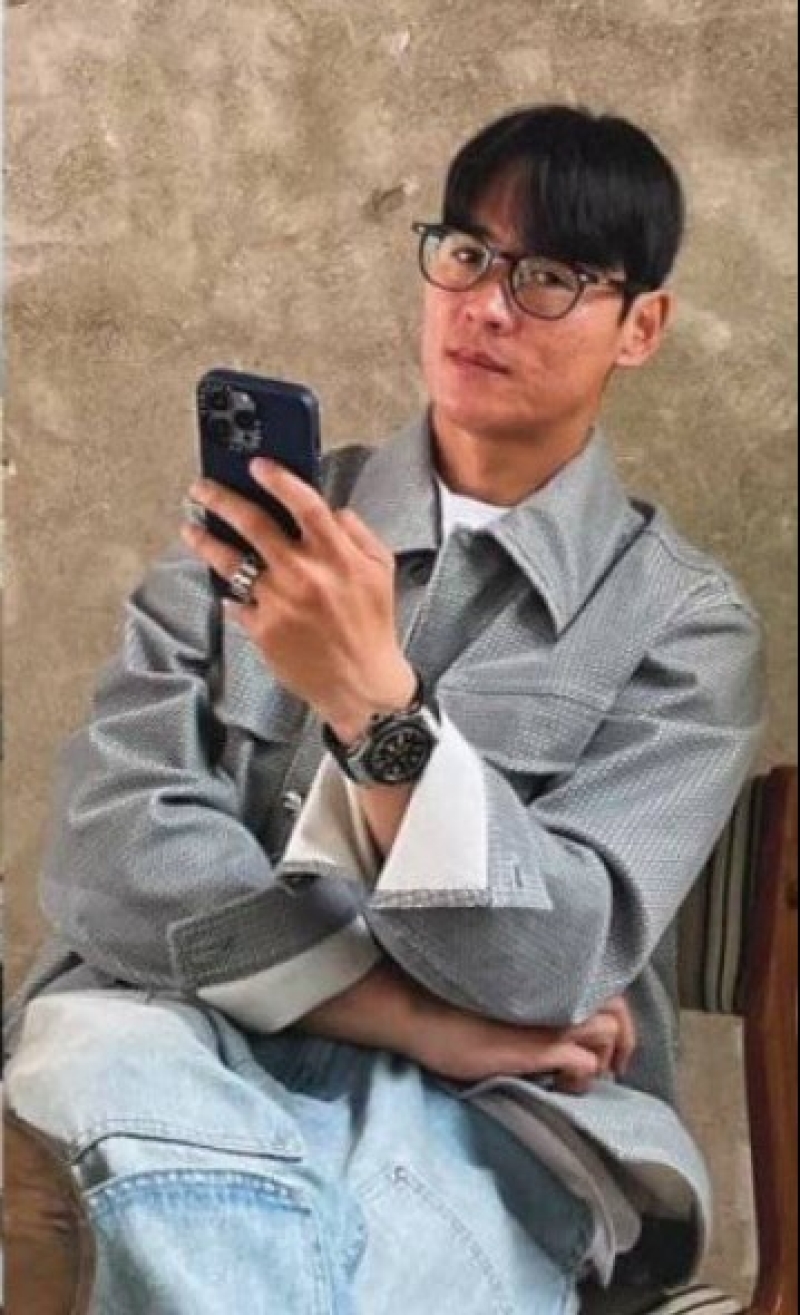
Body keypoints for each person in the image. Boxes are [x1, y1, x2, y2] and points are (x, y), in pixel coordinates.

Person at [6, 105, 764, 1314]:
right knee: (98, 1066)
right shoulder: (258, 525)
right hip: (172, 1038)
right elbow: (110, 850)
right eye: (465, 253)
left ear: (641, 325)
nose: (486, 305)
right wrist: (407, 1013)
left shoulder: (680, 624)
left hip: (494, 1109)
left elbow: (554, 959)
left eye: (550, 276)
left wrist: (374, 707)